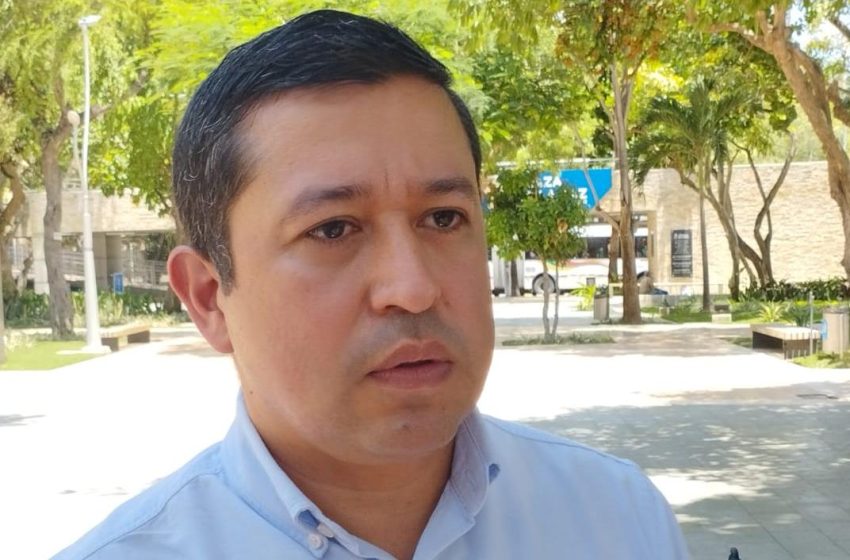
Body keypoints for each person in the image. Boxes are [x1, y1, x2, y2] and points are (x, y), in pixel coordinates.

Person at [54, 10, 688, 560]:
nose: (412, 289)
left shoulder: (618, 520)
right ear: (208, 298)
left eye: (444, 219)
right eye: (332, 229)